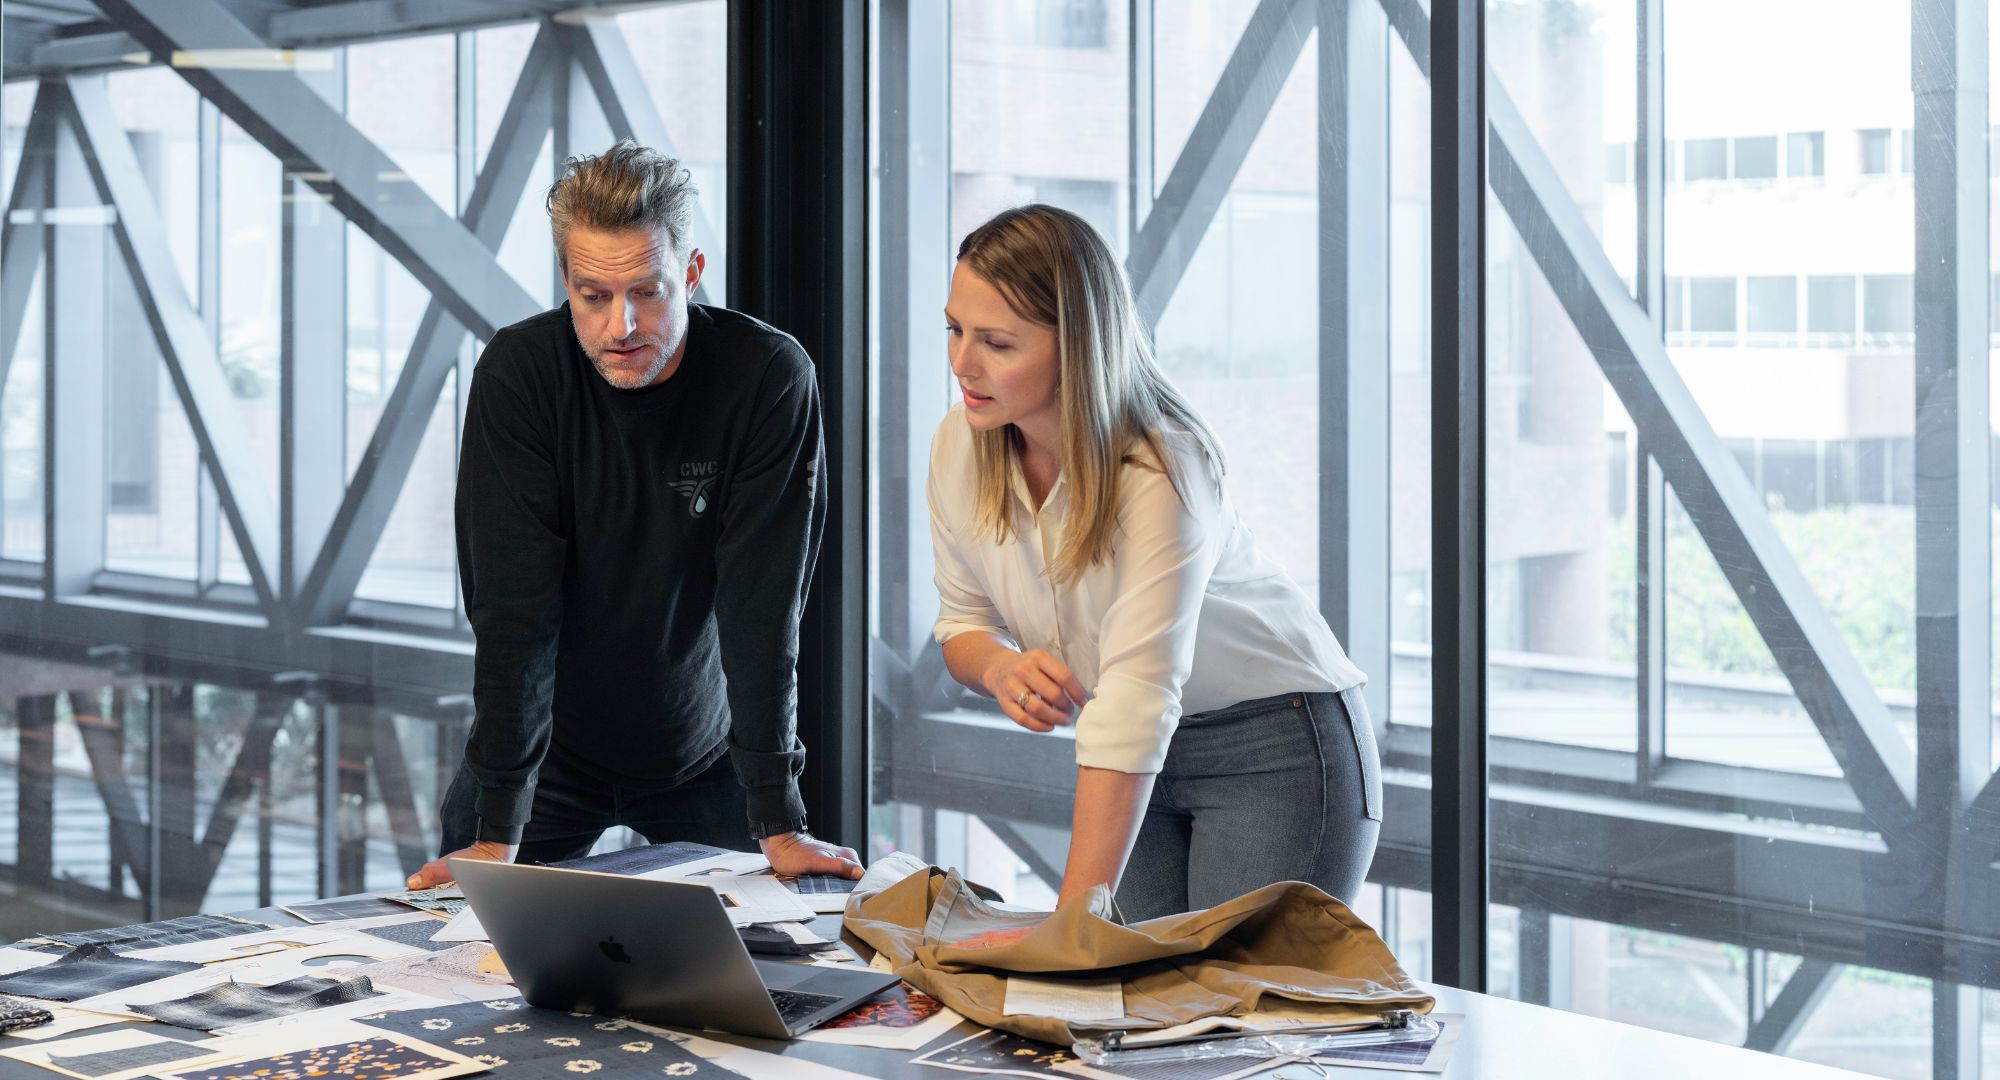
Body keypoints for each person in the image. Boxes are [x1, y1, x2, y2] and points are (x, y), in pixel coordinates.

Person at [406, 141, 860, 889]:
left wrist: (779, 815)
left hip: (705, 753)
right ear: (566, 282)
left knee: (767, 971)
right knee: (470, 960)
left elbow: (764, 607)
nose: (621, 325)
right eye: (592, 295)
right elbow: (514, 611)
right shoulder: (521, 376)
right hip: (544, 760)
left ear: (691, 272)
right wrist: (495, 826)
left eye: (647, 292)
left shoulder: (768, 378)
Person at [928, 204, 1381, 922]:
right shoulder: (960, 444)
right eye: (954, 330)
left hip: (1273, 747)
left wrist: (1067, 932)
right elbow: (961, 625)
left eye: (997, 343)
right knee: (1137, 1004)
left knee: (1229, 1016)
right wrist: (999, 667)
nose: (962, 363)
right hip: (1132, 753)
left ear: (1076, 344)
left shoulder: (1161, 467)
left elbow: (1138, 698)